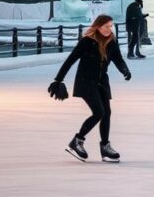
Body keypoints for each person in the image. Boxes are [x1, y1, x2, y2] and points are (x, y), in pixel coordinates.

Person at [50, 15, 131, 163]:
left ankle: (105, 147)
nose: (109, 29)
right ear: (98, 27)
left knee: (107, 113)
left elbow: (118, 59)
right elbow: (70, 60)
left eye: (110, 26)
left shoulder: (111, 41)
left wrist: (125, 70)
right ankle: (77, 141)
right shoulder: (87, 41)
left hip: (101, 82)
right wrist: (58, 79)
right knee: (99, 112)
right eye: (106, 26)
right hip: (86, 81)